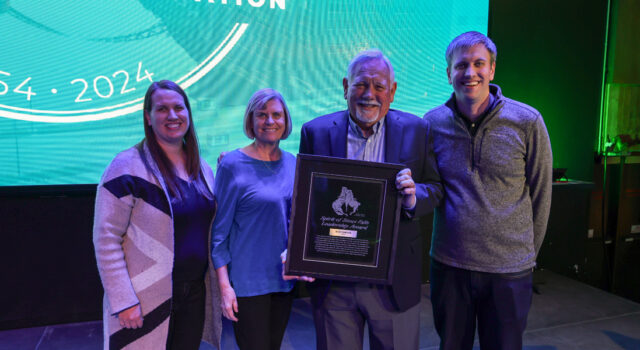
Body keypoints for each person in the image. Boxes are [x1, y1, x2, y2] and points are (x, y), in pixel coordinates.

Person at [299, 49, 443, 350]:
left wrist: (414, 197)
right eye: (361, 84)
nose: (369, 94)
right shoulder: (316, 132)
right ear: (345, 87)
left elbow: (435, 188)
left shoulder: (417, 130)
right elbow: (305, 201)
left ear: (392, 91)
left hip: (394, 279)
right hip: (335, 279)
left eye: (379, 86)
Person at [423, 31, 553, 349]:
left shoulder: (527, 121)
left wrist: (524, 255)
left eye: (479, 64)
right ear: (448, 73)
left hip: (509, 273)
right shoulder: (431, 124)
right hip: (450, 267)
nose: (470, 73)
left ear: (492, 70)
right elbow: (432, 187)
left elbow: (541, 192)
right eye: (461, 65)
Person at [93, 80, 222, 349]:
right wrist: (123, 301)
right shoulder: (126, 166)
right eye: (162, 109)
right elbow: (106, 238)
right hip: (144, 298)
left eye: (178, 107)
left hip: (194, 294)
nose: (172, 116)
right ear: (148, 118)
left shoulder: (202, 169)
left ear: (188, 113)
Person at [211, 88, 306, 350]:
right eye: (261, 114)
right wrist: (224, 287)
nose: (269, 121)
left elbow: (297, 223)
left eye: (276, 115)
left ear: (286, 121)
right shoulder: (231, 164)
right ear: (251, 121)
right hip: (247, 282)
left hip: (284, 280)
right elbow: (219, 233)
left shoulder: (294, 164)